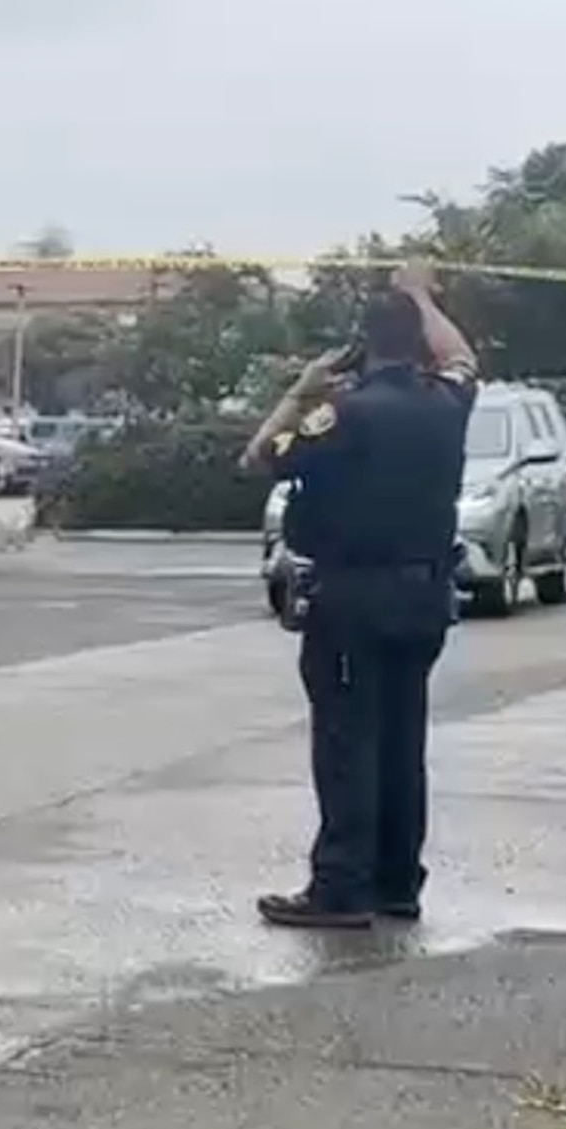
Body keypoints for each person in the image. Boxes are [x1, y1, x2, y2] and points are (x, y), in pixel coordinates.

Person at [240, 263, 478, 930]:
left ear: (363, 347)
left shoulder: (337, 412)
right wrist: (423, 294)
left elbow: (258, 457)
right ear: (418, 347)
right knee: (403, 743)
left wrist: (299, 389)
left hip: (353, 600)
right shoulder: (448, 402)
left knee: (348, 742)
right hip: (425, 598)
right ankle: (397, 883)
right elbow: (462, 355)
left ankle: (341, 888)